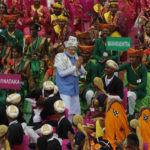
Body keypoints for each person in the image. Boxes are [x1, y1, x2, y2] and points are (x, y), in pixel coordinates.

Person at [54, 36, 85, 122]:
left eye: (74, 50)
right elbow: (62, 73)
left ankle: (72, 130)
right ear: (66, 48)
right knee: (66, 112)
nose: (73, 51)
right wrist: (75, 67)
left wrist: (79, 65)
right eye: (71, 49)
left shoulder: (75, 57)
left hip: (75, 90)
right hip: (64, 90)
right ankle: (65, 130)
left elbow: (82, 72)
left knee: (75, 113)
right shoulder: (60, 56)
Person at [118, 48, 147, 119]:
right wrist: (111, 66)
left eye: (133, 57)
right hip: (129, 87)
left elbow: (144, 83)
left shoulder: (143, 68)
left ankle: (131, 115)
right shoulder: (128, 65)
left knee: (130, 95)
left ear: (138, 58)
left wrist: (136, 88)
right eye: (130, 57)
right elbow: (118, 68)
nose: (131, 59)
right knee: (120, 93)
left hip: (139, 90)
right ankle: (123, 112)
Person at [24, 23, 49, 89]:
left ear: (37, 30)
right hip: (30, 60)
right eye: (30, 30)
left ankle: (40, 90)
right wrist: (30, 54)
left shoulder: (43, 40)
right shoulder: (28, 39)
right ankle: (31, 90)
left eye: (33, 29)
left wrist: (38, 54)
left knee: (41, 68)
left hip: (39, 60)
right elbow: (24, 53)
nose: (31, 31)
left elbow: (46, 52)